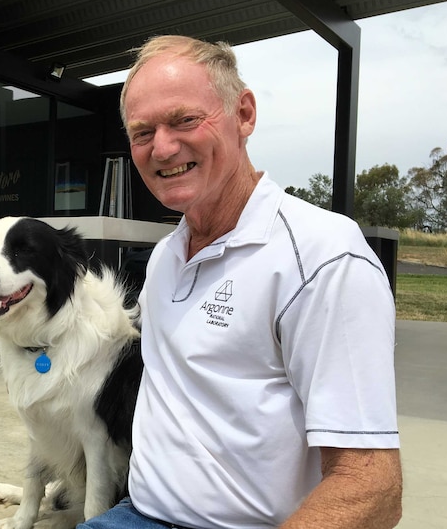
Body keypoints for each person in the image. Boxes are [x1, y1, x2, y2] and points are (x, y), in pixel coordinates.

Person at [79, 36, 402, 528]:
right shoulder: (165, 257)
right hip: (135, 512)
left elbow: (370, 486)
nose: (162, 148)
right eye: (142, 132)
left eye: (185, 120)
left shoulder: (323, 256)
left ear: (244, 114)